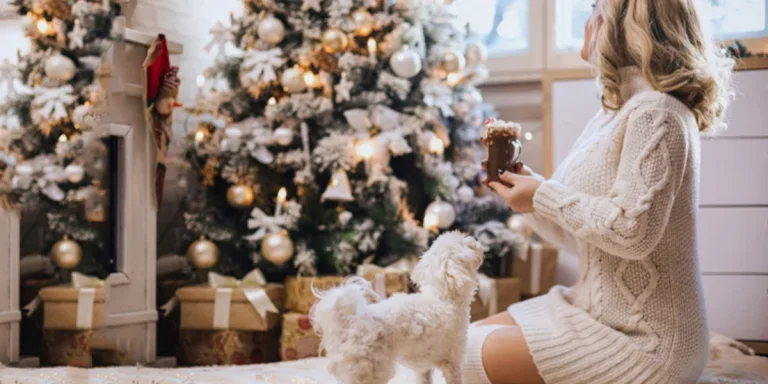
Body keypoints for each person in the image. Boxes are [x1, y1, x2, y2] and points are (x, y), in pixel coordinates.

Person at [463, 0, 734, 383]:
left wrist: (543, 194)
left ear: (630, 24)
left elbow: (630, 232)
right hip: (589, 310)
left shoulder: (658, 113)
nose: (588, 18)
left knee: (460, 358)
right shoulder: (616, 111)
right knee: (459, 340)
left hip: (646, 344)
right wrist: (527, 198)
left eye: (596, 7)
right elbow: (584, 241)